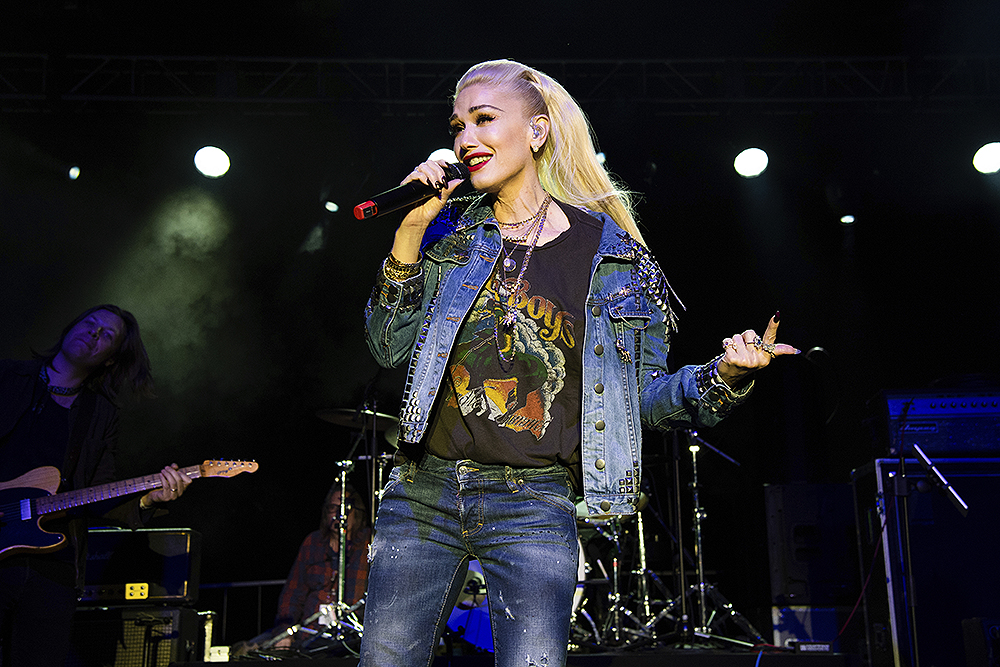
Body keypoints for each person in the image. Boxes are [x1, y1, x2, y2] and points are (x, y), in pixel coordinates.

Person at [359, 59, 799, 667]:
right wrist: (410, 232)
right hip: (423, 492)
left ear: (537, 131)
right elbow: (387, 347)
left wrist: (725, 377)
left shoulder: (613, 258)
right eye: (458, 125)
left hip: (534, 503)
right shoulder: (450, 237)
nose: (465, 139)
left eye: (485, 119)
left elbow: (641, 399)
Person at [0, 304, 190, 667]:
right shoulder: (8, 377)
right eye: (90, 324)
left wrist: (150, 499)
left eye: (107, 336)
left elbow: (99, 491)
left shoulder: (100, 413)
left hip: (52, 569)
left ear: (109, 360)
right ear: (71, 327)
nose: (94, 333)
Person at [271, 483, 371, 653]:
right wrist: (284, 633)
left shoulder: (368, 542)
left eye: (346, 507)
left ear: (357, 512)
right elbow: (292, 594)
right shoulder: (313, 542)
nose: (339, 513)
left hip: (352, 639)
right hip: (309, 637)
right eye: (333, 507)